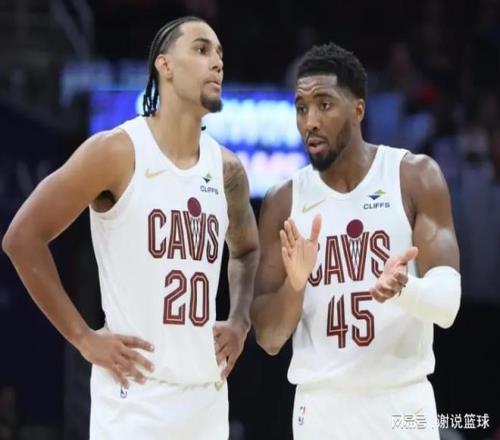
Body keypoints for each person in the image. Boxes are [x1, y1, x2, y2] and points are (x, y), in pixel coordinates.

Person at [2, 16, 259, 439]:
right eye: (201, 49)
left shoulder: (227, 168)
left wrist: (240, 320)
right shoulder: (115, 151)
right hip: (134, 399)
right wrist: (83, 337)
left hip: (206, 400)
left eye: (219, 54)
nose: (217, 62)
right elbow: (22, 238)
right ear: (164, 65)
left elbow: (247, 251)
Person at [251, 42, 461, 439]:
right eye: (301, 108)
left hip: (402, 404)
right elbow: (269, 338)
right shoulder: (283, 201)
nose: (310, 121)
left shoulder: (414, 177)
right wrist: (295, 285)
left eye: (324, 105)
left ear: (358, 110)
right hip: (322, 410)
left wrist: (404, 289)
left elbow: (448, 305)